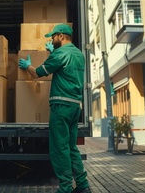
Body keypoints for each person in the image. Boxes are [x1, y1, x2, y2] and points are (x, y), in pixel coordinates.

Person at [19, 24, 91, 193]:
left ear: (60, 36)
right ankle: (83, 185)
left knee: (59, 148)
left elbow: (37, 73)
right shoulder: (79, 54)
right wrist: (53, 53)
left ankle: (65, 188)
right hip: (75, 106)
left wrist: (28, 66)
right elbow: (65, 68)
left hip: (61, 107)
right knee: (71, 147)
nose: (52, 40)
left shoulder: (60, 53)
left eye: (53, 37)